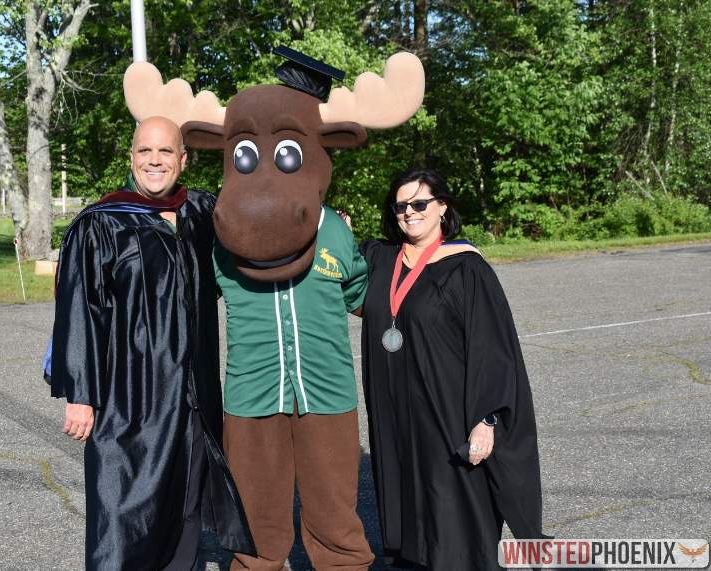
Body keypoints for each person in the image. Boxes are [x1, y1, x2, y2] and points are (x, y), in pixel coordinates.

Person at [49, 116, 254, 570]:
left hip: (192, 396)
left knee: (183, 507)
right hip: (128, 397)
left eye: (165, 152)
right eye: (145, 152)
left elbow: (256, 230)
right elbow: (79, 309)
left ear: (183, 159)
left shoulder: (200, 212)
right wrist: (80, 394)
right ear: (131, 158)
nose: (155, 161)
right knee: (121, 512)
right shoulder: (100, 223)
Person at [359, 167, 545, 570]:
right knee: (406, 495)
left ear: (442, 207)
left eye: (420, 204)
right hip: (395, 413)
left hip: (446, 412)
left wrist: (486, 419)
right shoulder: (381, 258)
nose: (410, 213)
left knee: (451, 505)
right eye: (401, 206)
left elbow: (493, 349)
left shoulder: (466, 267)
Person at [215, 207, 375, 570]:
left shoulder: (332, 228)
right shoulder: (227, 235)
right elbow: (180, 297)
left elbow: (366, 297)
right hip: (252, 396)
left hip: (327, 394)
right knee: (256, 516)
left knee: (334, 512)